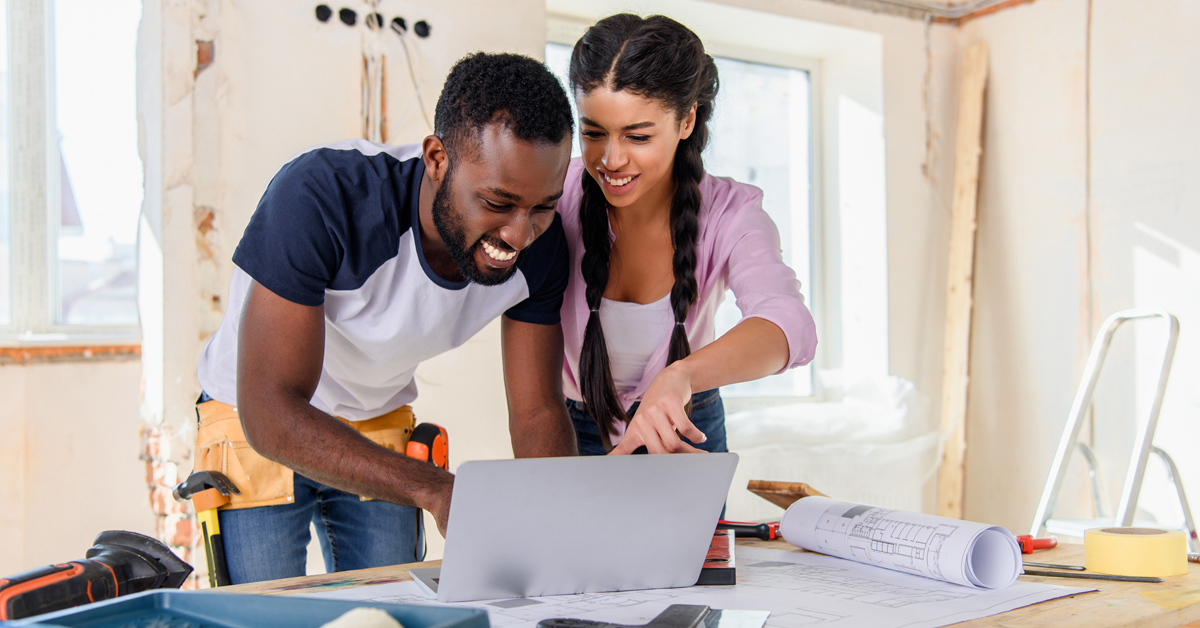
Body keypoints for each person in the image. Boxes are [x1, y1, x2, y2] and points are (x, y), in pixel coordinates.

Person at [192, 52, 577, 584]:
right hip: (254, 414)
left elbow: (537, 412)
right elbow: (271, 408)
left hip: (376, 415)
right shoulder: (321, 197)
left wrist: (561, 532)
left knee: (393, 614)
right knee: (263, 613)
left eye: (542, 206)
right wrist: (436, 488)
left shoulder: (543, 246)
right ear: (437, 159)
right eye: (496, 201)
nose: (518, 234)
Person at [559, 14, 818, 456]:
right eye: (593, 133)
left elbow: (789, 326)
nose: (611, 159)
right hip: (573, 425)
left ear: (686, 121)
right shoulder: (556, 194)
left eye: (638, 135)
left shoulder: (732, 212)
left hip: (685, 423)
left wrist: (682, 376)